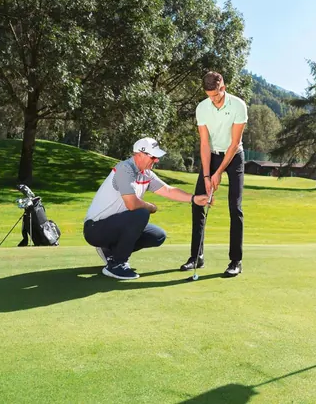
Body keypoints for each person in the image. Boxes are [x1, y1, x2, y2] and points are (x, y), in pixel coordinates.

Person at [84, 137, 209, 281]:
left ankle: (111, 252)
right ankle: (117, 265)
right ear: (139, 154)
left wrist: (194, 199)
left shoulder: (146, 174)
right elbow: (132, 204)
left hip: (114, 226)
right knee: (141, 213)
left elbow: (168, 190)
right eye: (153, 156)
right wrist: (150, 206)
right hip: (95, 229)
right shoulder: (124, 169)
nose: (156, 160)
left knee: (157, 236)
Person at [180, 71, 247, 277]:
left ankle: (235, 261)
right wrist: (208, 176)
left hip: (234, 156)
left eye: (216, 95)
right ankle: (196, 257)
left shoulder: (238, 106)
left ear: (223, 88)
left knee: (235, 208)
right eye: (209, 96)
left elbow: (234, 144)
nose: (213, 100)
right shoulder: (202, 108)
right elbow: (204, 143)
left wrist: (218, 173)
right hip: (212, 155)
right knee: (198, 201)